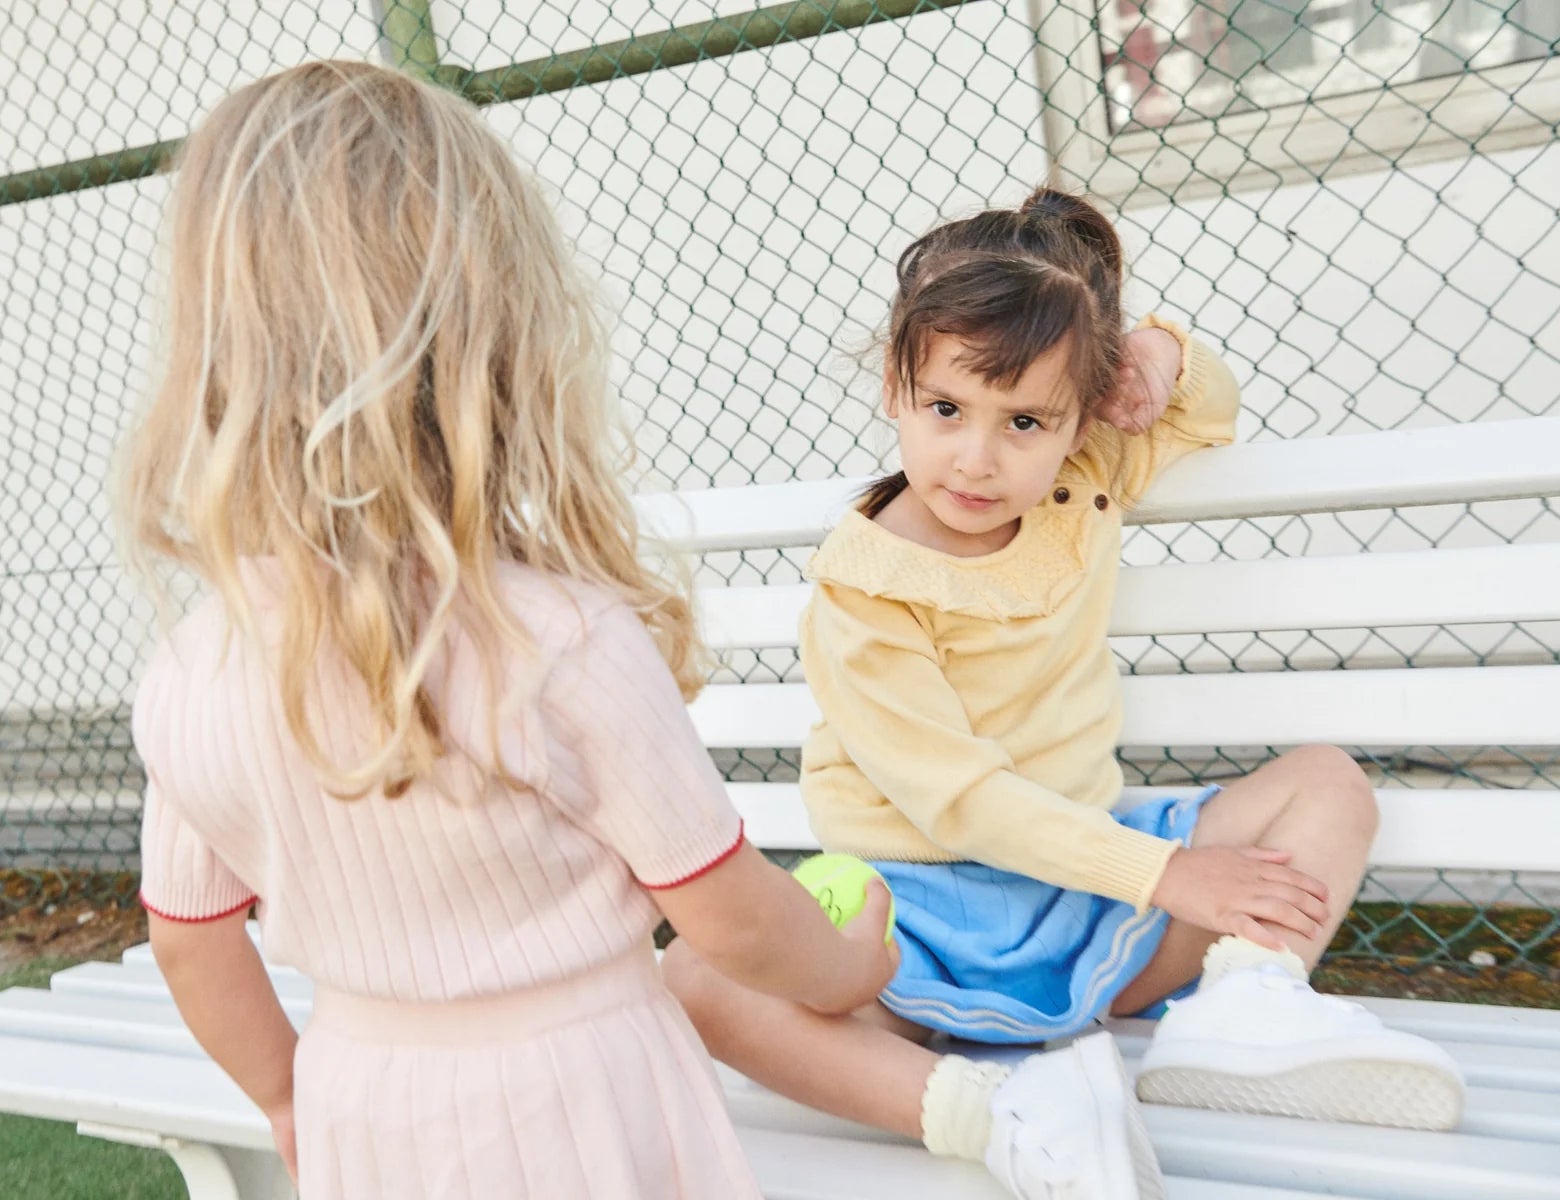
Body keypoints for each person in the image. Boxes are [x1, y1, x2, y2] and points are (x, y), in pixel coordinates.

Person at [113, 60, 906, 1199]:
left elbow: (191, 937)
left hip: (363, 1103)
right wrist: (843, 967)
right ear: (497, 342)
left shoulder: (195, 666)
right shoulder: (558, 642)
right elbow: (725, 915)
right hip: (583, 1101)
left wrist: (290, 1098)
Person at [664, 188, 1466, 1199]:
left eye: (1026, 421)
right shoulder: (864, 588)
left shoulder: (1082, 479)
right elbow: (958, 800)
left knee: (1328, 784)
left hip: (1095, 901)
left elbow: (1206, 409)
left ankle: (1243, 1011)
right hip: (917, 926)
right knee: (697, 982)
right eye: (947, 408)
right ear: (894, 385)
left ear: (1081, 417)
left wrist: (1162, 350)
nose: (979, 458)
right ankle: (996, 1116)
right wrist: (1168, 877)